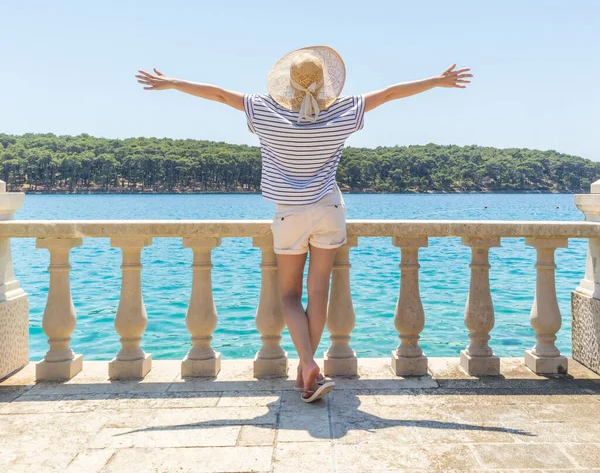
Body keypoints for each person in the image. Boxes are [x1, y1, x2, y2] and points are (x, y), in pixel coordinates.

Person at [136, 46, 471, 402]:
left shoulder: (264, 110)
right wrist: (437, 81)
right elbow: (390, 93)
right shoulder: (344, 111)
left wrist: (172, 83)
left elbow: (217, 94)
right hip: (329, 209)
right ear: (326, 83)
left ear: (288, 84)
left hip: (289, 213)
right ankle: (307, 370)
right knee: (319, 292)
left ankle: (308, 363)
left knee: (289, 296)